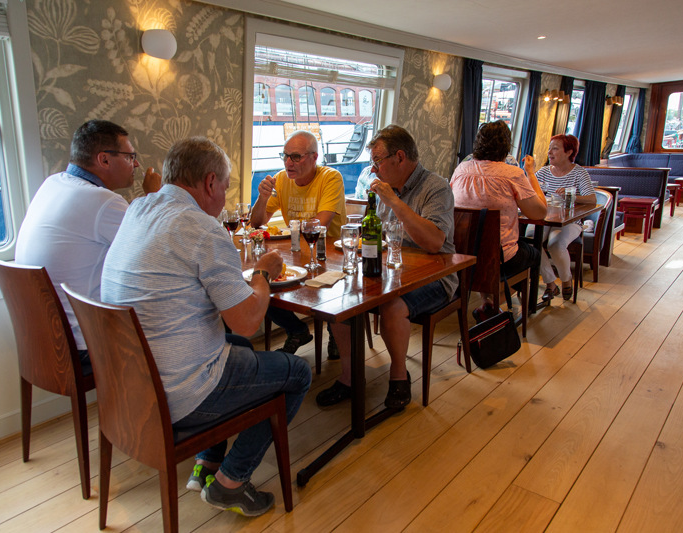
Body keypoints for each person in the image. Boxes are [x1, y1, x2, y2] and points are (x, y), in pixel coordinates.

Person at [101, 137, 311, 517]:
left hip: (130, 386)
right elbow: (247, 322)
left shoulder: (138, 209)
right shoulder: (200, 228)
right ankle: (231, 482)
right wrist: (263, 272)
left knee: (237, 349)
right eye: (226, 187)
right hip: (180, 395)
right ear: (210, 182)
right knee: (298, 372)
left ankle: (207, 463)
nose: (225, 197)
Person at [316, 125, 456, 410]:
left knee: (393, 306)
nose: (373, 169)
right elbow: (378, 235)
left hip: (436, 276)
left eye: (377, 161)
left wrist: (392, 200)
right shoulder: (383, 187)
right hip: (393, 272)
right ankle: (350, 377)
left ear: (400, 157)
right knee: (340, 298)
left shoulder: (436, 187)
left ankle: (399, 376)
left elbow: (434, 243)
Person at [16, 120, 161, 372]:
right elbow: (160, 251)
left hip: (45, 340)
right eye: (130, 156)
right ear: (104, 159)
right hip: (86, 343)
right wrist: (153, 196)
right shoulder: (103, 201)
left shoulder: (53, 183)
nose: (136, 164)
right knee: (180, 326)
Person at [250, 130, 347, 357]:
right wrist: (262, 198)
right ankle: (296, 330)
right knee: (260, 281)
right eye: (285, 156)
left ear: (314, 157)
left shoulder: (330, 177)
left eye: (295, 157)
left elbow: (320, 224)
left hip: (331, 256)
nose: (288, 163)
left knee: (328, 289)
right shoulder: (281, 179)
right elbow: (256, 223)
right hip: (297, 254)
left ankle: (336, 330)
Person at [450, 120, 547, 317]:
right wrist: (530, 172)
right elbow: (539, 213)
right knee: (532, 254)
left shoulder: (461, 169)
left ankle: (488, 302)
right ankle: (500, 302)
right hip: (500, 258)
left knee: (488, 248)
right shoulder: (513, 174)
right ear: (506, 146)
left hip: (461, 252)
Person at [529, 134, 595, 301]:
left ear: (569, 152)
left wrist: (571, 195)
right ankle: (550, 283)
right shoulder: (544, 172)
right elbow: (529, 192)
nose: (549, 152)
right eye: (549, 148)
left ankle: (566, 280)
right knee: (530, 241)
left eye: (555, 149)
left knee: (555, 244)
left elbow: (592, 199)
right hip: (544, 218)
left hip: (570, 221)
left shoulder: (579, 173)